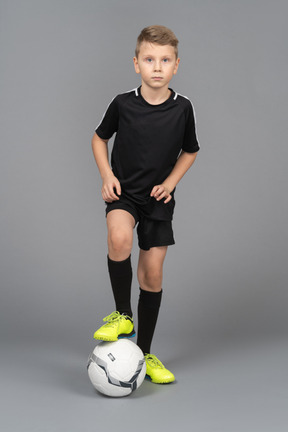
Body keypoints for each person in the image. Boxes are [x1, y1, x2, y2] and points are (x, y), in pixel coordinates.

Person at [91, 25, 199, 384]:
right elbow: (98, 138)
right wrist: (107, 175)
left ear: (176, 65)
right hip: (125, 193)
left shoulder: (182, 108)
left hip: (157, 199)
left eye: (165, 60)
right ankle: (123, 315)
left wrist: (170, 183)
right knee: (119, 238)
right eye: (149, 59)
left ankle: (145, 352)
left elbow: (190, 151)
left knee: (152, 274)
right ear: (136, 63)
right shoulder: (122, 103)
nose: (157, 66)